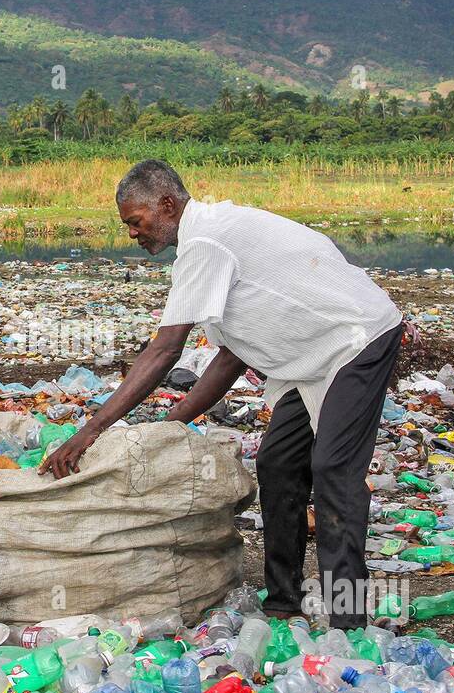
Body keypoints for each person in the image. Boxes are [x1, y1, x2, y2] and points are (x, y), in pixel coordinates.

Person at [41, 159, 404, 629]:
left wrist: (90, 430)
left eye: (136, 221)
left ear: (167, 205)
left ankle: (348, 621)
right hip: (309, 357)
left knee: (334, 470)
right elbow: (230, 359)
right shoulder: (207, 239)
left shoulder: (205, 241)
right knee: (277, 463)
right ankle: (282, 600)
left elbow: (165, 349)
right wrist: (169, 427)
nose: (133, 233)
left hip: (356, 341)